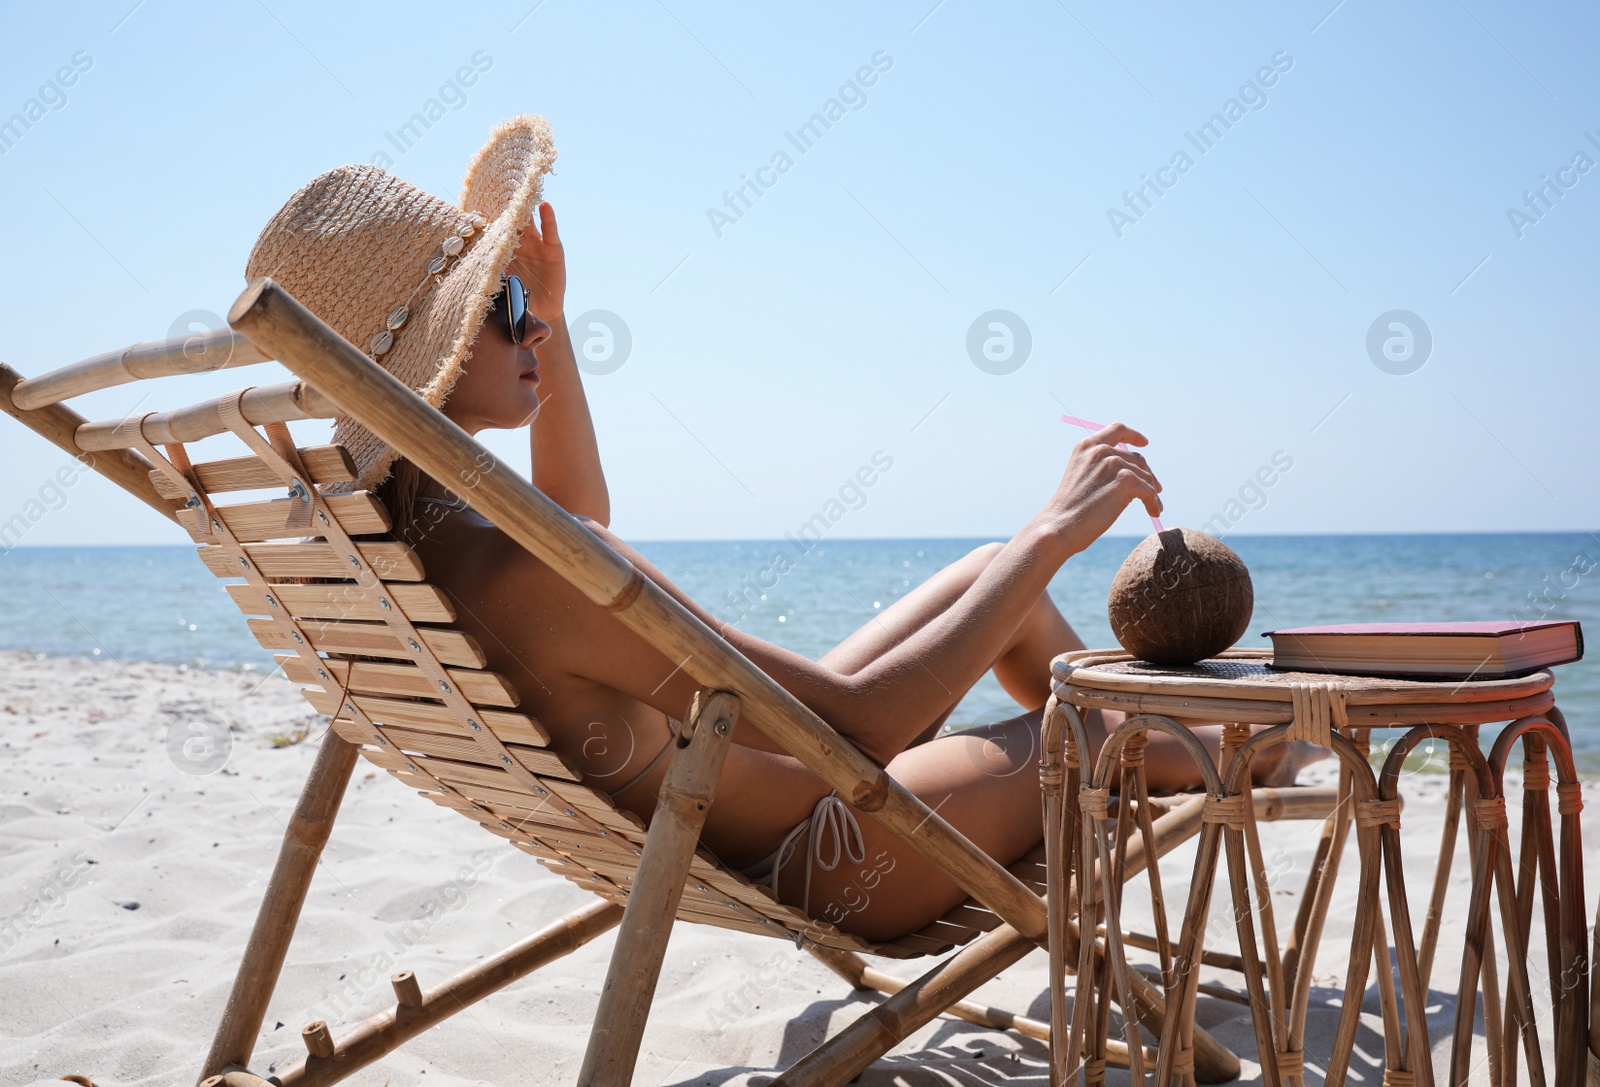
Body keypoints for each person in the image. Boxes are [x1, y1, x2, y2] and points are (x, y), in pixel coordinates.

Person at [245, 115, 1321, 943]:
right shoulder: (522, 563)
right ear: (422, 362)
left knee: (997, 581)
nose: (529, 325)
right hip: (841, 846)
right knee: (1081, 714)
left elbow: (578, 529)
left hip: (759, 787)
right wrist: (1052, 529)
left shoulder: (431, 533)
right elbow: (855, 734)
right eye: (502, 309)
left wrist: (547, 325)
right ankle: (1235, 753)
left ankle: (1175, 758)